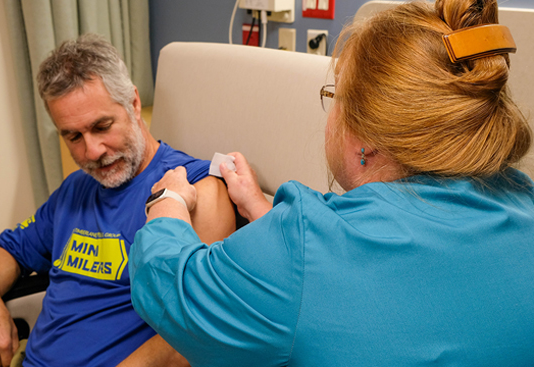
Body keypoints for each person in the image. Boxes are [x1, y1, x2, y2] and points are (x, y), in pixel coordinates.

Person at [130, 0, 534, 365]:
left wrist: (169, 201)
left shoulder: (304, 242)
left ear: (368, 142)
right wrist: (262, 211)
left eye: (334, 95)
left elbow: (170, 286)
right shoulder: (522, 200)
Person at [0, 34, 235, 367]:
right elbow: (6, 251)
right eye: (73, 136)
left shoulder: (198, 189)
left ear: (134, 103)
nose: (92, 151)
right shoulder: (76, 189)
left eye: (102, 126)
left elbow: (195, 336)